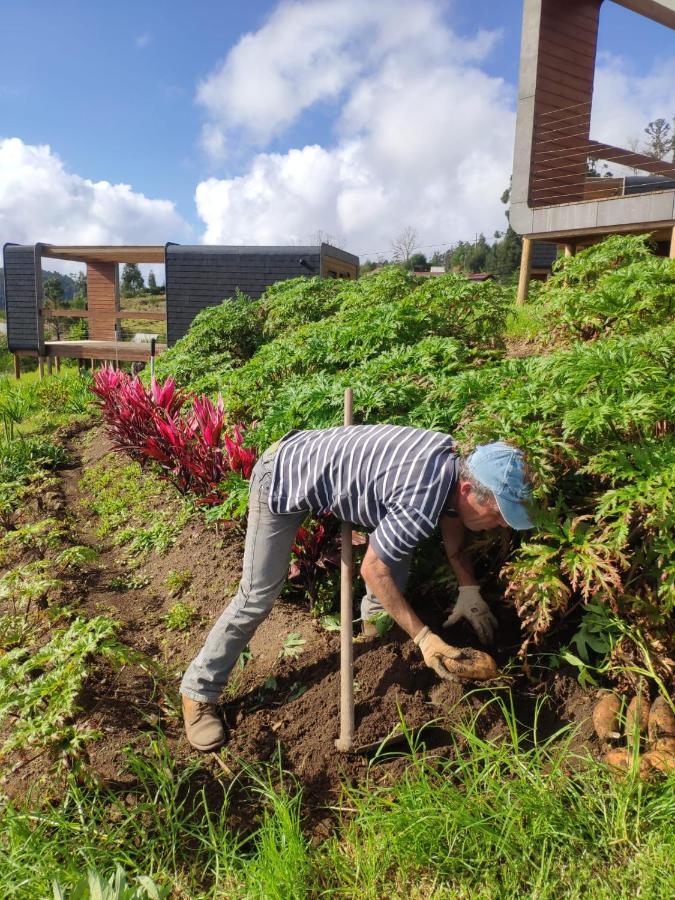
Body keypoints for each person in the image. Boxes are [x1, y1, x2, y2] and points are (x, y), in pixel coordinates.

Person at [180, 424, 535, 751]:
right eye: (500, 513)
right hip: (283, 475)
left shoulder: (454, 466)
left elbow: (451, 516)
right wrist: (426, 639)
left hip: (324, 465)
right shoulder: (422, 497)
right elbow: (373, 569)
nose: (500, 524)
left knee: (399, 547)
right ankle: (198, 690)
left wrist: (468, 588)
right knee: (257, 595)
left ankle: (374, 633)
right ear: (469, 489)